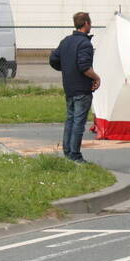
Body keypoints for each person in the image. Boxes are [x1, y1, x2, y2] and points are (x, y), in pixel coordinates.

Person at [49, 12, 100, 163]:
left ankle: (67, 153)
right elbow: (84, 67)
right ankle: (75, 155)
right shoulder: (85, 44)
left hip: (69, 87)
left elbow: (53, 59)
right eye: (90, 23)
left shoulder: (66, 41)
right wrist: (97, 77)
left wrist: (66, 68)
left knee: (70, 120)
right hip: (82, 88)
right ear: (86, 23)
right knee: (78, 122)